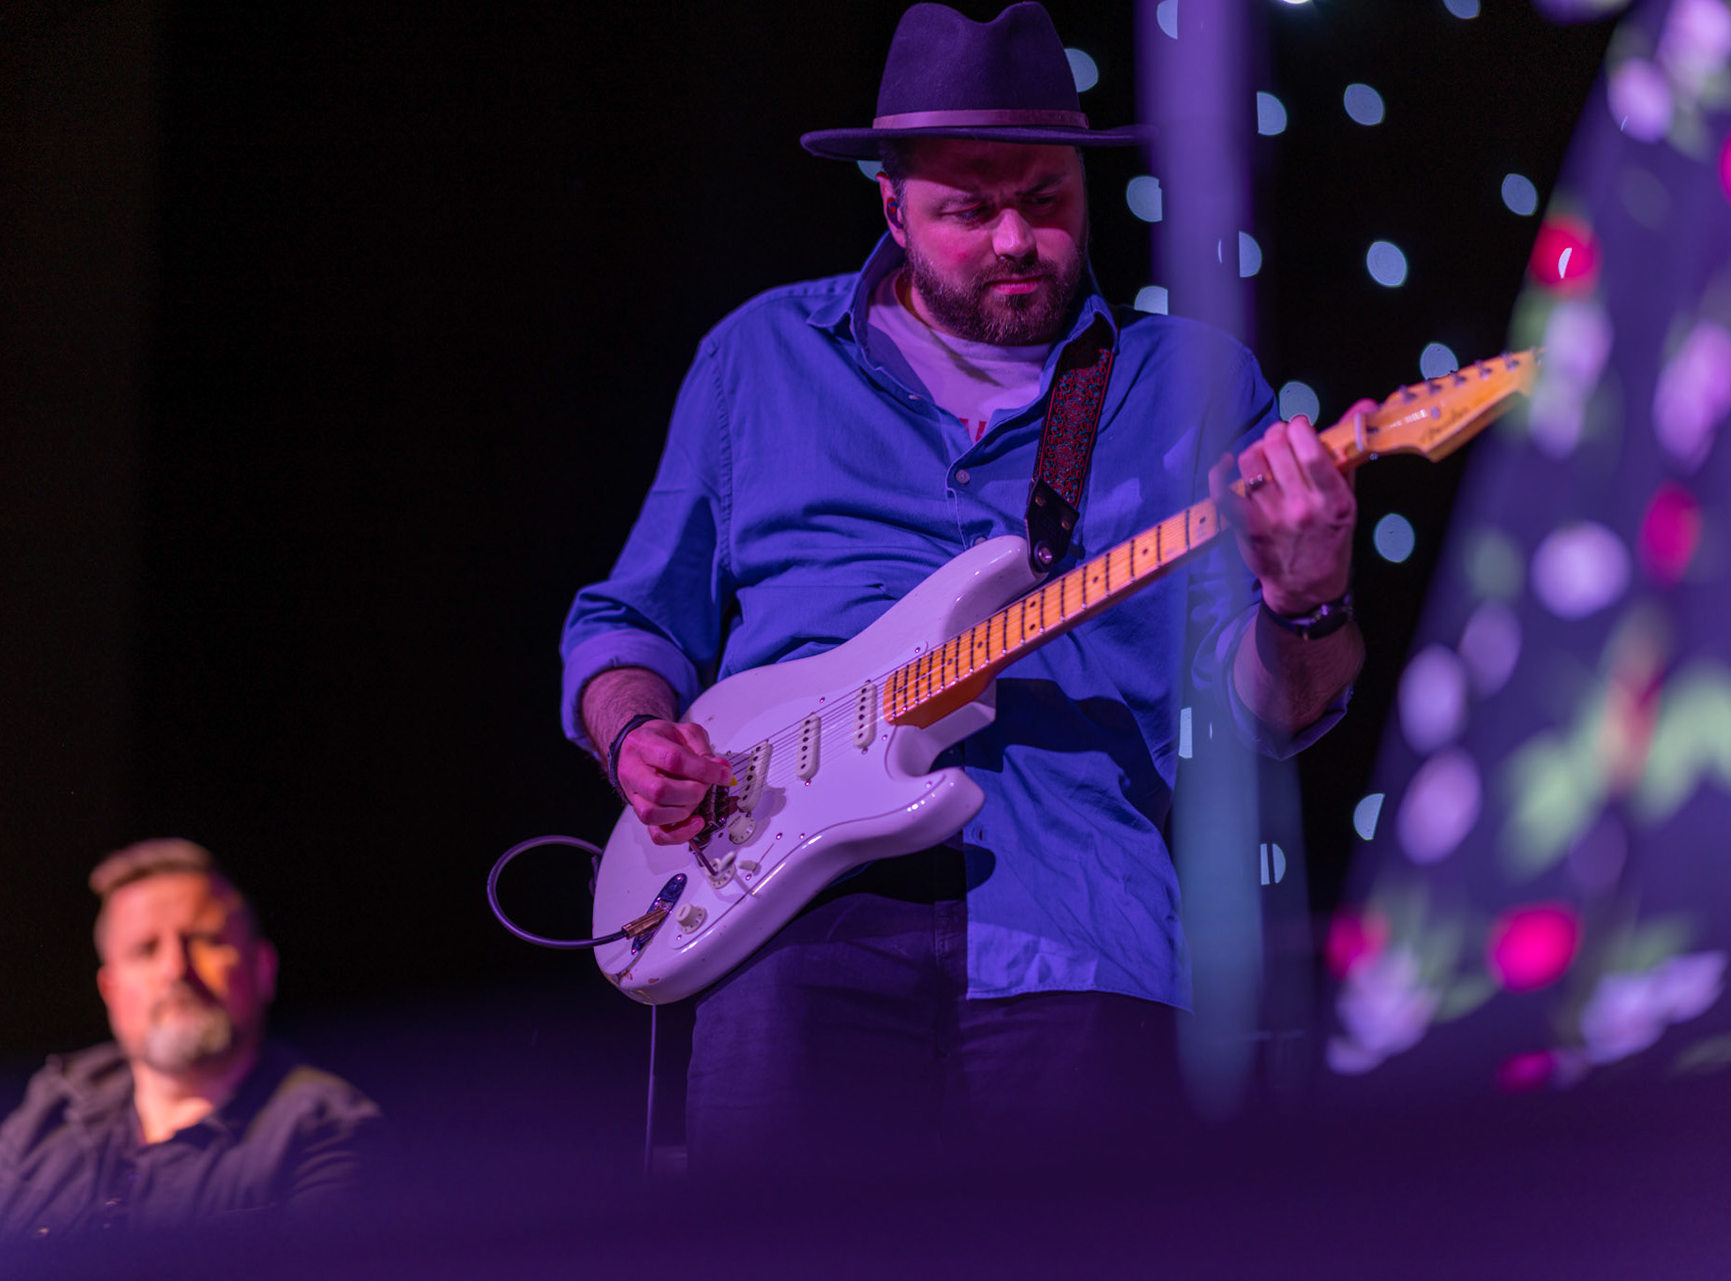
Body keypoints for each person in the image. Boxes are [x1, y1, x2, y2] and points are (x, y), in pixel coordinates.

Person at [560, 2, 1364, 1168]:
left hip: (1084, 931)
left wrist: (1308, 600)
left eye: (1045, 200)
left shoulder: (1186, 381)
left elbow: (1269, 719)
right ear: (890, 204)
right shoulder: (759, 359)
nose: (1015, 241)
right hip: (782, 923)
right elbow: (629, 621)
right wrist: (637, 735)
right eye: (967, 210)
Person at [0, 839, 382, 1251]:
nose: (176, 969)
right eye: (145, 950)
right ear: (111, 992)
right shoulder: (55, 1103)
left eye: (204, 940)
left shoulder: (323, 1129)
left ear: (263, 970)